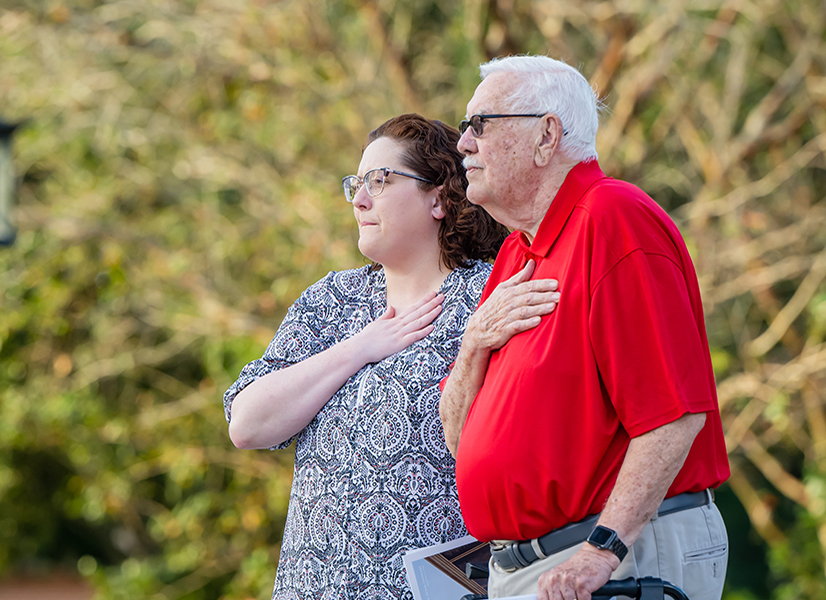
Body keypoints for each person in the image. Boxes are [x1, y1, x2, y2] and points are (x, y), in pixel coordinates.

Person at [223, 114, 555, 600]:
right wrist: (361, 347)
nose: (359, 199)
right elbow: (247, 425)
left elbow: (532, 440)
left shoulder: (491, 293)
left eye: (379, 181)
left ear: (439, 197)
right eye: (356, 184)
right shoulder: (333, 300)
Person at [439, 56, 731, 600]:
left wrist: (603, 551)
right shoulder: (515, 253)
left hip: (613, 559)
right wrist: (473, 344)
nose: (463, 145)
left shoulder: (614, 219)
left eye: (480, 125)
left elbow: (677, 414)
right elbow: (458, 441)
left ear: (546, 136)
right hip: (530, 569)